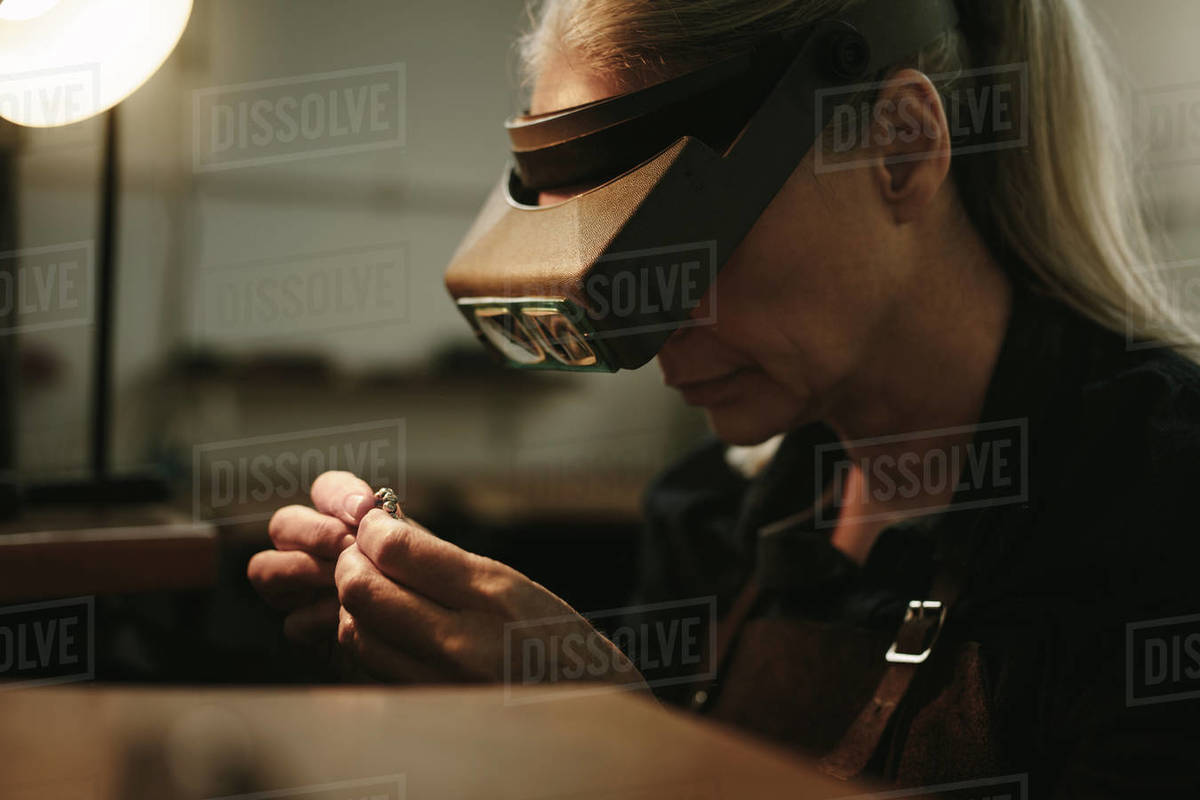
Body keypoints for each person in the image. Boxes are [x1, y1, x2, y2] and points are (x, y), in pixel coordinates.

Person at [249, 0, 1200, 794]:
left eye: (669, 251)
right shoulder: (716, 521)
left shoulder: (1161, 501)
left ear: (900, 148)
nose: (646, 335)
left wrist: (626, 754)